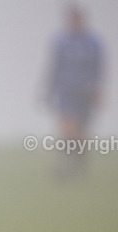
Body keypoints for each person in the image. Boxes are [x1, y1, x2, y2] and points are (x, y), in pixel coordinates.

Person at [43, 5, 106, 179]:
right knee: (67, 129)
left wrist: (98, 91)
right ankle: (64, 165)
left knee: (81, 133)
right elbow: (54, 68)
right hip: (66, 92)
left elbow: (99, 69)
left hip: (85, 94)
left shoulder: (93, 43)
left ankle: (80, 164)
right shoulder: (61, 42)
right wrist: (48, 91)